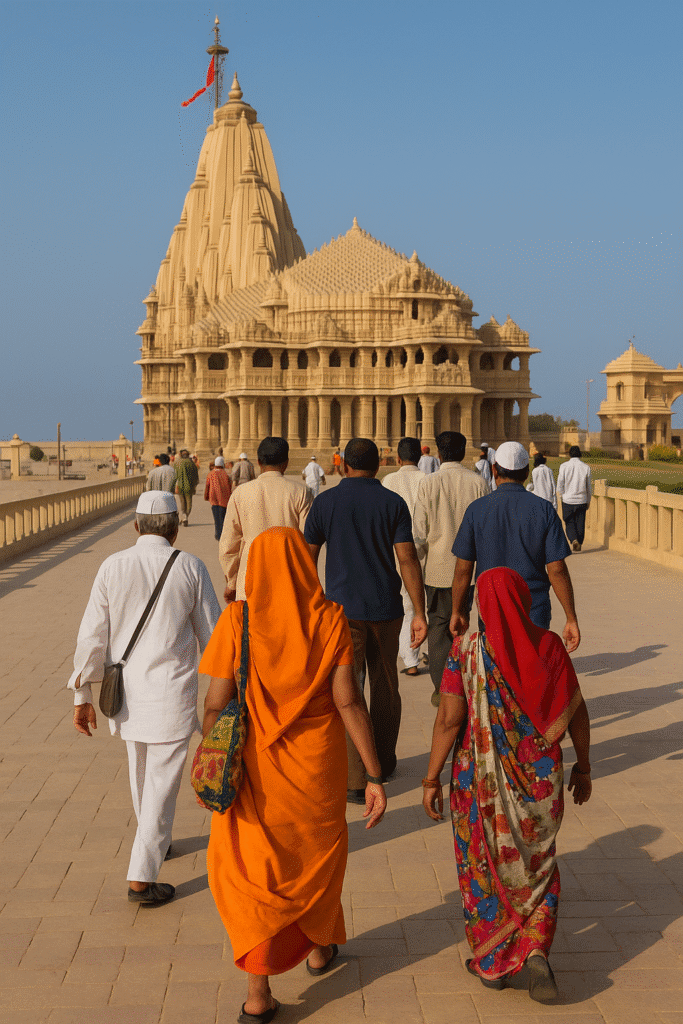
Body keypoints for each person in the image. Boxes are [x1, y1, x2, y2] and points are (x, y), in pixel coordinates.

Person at [201, 528, 386, 1023]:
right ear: (306, 568)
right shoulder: (329, 618)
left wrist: (216, 752)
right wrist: (373, 774)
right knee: (316, 856)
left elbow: (215, 705)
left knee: (256, 871)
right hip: (318, 766)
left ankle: (258, 996)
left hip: (257, 769)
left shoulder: (236, 620)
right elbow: (348, 699)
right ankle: (320, 948)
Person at [423, 567, 591, 1002]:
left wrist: (429, 778)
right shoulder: (550, 646)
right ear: (523, 600)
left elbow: (450, 719)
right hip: (539, 792)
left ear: (481, 605)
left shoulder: (465, 652)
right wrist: (585, 767)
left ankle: (494, 961)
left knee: (482, 865)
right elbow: (577, 712)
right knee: (537, 868)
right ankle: (535, 950)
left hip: (478, 786)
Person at [68, 492, 220, 905]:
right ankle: (141, 877)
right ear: (173, 528)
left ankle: (157, 840)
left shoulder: (112, 565)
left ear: (137, 526)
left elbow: (91, 636)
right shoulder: (189, 566)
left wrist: (81, 695)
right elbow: (214, 635)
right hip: (171, 692)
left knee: (143, 777)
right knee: (160, 784)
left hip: (126, 696)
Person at [304, 438, 428, 801]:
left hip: (340, 612)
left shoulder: (326, 502)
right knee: (387, 687)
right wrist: (418, 611)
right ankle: (384, 761)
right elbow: (407, 559)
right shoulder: (392, 502)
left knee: (347, 692)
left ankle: (357, 777)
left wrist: (310, 605)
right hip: (386, 609)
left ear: (342, 465)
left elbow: (306, 558)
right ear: (378, 466)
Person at [451, 441, 579, 649]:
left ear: (494, 470)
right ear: (527, 472)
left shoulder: (476, 510)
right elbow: (556, 570)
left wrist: (458, 611)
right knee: (531, 674)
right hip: (534, 610)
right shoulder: (544, 510)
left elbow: (463, 569)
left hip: (491, 610)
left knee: (498, 673)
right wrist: (570, 617)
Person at [413, 431, 489, 707]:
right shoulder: (479, 483)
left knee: (439, 629)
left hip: (437, 569)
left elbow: (419, 534)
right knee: (464, 627)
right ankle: (464, 685)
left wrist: (417, 568)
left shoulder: (428, 484)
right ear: (464, 451)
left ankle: (441, 687)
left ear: (439, 453)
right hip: (468, 573)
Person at [219, 437, 311, 603]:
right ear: (286, 463)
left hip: (250, 581)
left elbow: (228, 545)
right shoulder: (301, 492)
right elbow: (308, 542)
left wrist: (232, 582)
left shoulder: (241, 494)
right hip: (289, 583)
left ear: (258, 462)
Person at [382, 436, 427, 677]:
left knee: (406, 602)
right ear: (420, 457)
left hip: (397, 547)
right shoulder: (427, 479)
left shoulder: (389, 480)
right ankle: (418, 649)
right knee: (422, 601)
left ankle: (410, 658)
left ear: (398, 458)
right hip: (422, 546)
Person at [556, 446, 592, 552]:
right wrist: (588, 500)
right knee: (580, 522)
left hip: (568, 499)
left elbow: (560, 483)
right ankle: (579, 541)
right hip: (582, 499)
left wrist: (561, 495)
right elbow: (588, 487)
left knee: (569, 521)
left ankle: (573, 539)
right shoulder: (586, 467)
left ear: (569, 454)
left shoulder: (564, 466)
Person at [204, 455, 232, 541]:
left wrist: (206, 496)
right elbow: (230, 486)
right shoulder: (225, 474)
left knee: (216, 518)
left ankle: (218, 534)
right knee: (223, 518)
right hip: (224, 500)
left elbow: (207, 486)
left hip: (214, 499)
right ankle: (222, 534)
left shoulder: (211, 474)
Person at [174, 448, 199, 526]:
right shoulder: (192, 464)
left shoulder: (177, 463)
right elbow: (196, 477)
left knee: (182, 503)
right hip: (189, 487)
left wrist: (176, 486)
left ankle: (183, 516)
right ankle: (185, 517)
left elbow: (175, 476)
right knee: (189, 504)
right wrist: (195, 486)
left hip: (180, 486)